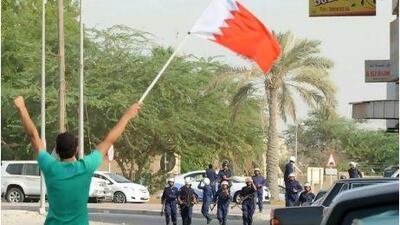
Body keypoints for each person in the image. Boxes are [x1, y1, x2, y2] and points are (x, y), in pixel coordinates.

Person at [13, 96, 142, 225]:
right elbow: (109, 140)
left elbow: (33, 136)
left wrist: (22, 108)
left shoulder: (50, 167)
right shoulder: (86, 167)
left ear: (56, 150)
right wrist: (127, 115)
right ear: (76, 150)